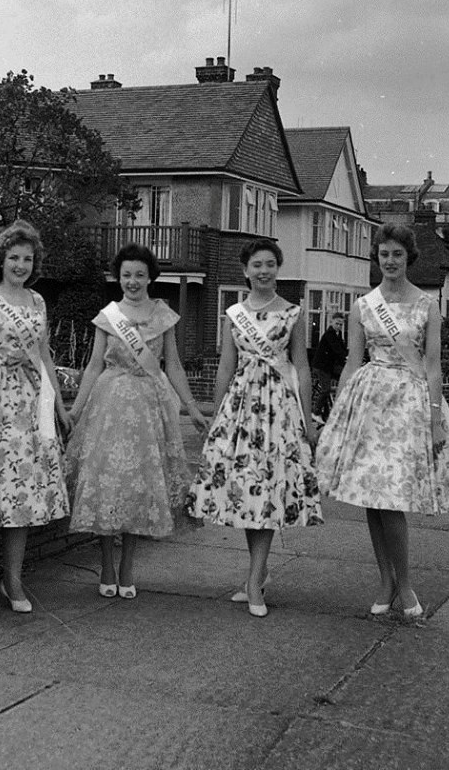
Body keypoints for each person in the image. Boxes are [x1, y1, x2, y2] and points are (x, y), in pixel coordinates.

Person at [316, 223, 449, 619]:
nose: (391, 261)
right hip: (370, 402)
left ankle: (406, 582)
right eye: (384, 254)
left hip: (410, 406)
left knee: (392, 496)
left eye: (397, 254)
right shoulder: (363, 306)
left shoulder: (426, 305)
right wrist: (339, 413)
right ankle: (386, 581)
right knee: (372, 494)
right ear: (377, 257)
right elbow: (351, 362)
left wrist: (435, 421)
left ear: (408, 257)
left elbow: (432, 367)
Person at [186, 238, 323, 618]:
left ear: (278, 269)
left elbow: (302, 367)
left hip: (278, 409)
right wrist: (216, 415)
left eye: (270, 265)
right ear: (245, 271)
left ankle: (253, 580)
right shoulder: (234, 315)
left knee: (267, 489)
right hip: (241, 410)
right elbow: (225, 367)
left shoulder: (293, 314)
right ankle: (255, 577)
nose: (263, 271)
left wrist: (307, 417)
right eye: (256, 265)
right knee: (248, 493)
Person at [66, 244, 207, 599]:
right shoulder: (108, 316)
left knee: (138, 487)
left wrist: (191, 405)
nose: (132, 281)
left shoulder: (163, 315)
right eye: (126, 275)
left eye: (139, 275)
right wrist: (76, 409)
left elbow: (172, 364)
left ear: (150, 277)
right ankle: (107, 565)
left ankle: (128, 566)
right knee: (109, 485)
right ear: (119, 277)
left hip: (148, 407)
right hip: (109, 405)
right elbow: (95, 364)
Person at [0, 221, 71, 614]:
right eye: (13, 257)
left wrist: (57, 404)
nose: (20, 265)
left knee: (19, 493)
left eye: (27, 258)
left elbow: (44, 356)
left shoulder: (37, 302)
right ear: (0, 260)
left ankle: (14, 581)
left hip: (28, 406)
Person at [310, 311, 348, 421]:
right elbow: (336, 350)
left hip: (329, 366)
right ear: (331, 322)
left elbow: (342, 350)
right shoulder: (329, 334)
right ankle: (315, 412)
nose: (339, 326)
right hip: (321, 366)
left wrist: (348, 358)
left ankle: (331, 408)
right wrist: (346, 358)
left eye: (341, 324)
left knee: (345, 378)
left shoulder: (338, 335)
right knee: (325, 390)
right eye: (337, 323)